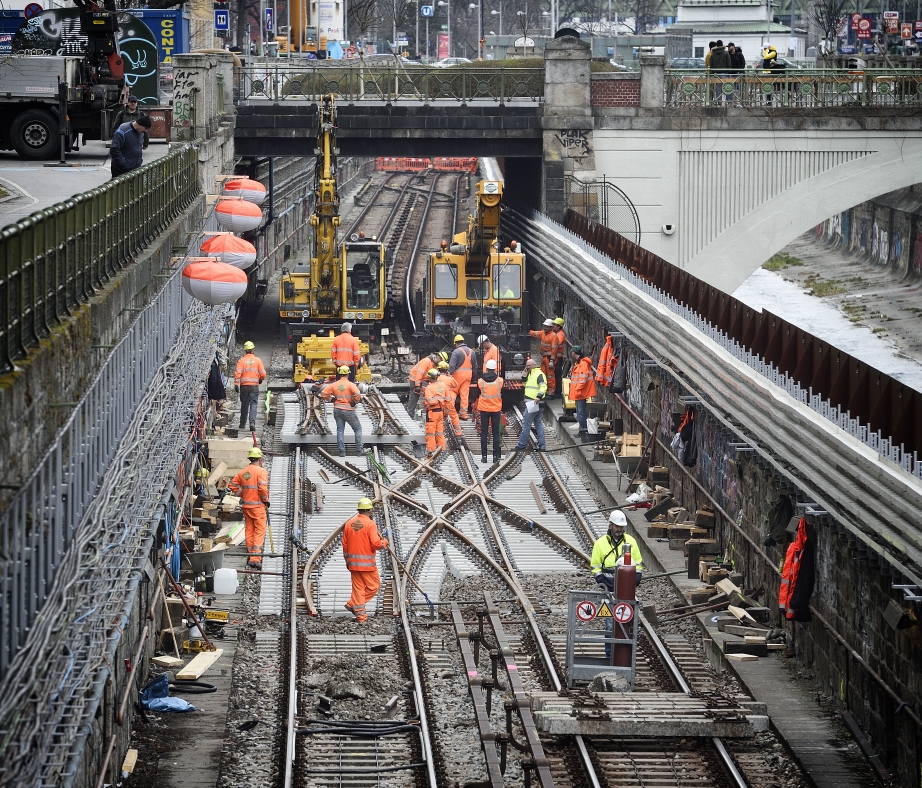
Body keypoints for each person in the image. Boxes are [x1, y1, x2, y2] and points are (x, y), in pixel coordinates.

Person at [591, 510, 644, 658]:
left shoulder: (631, 542)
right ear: (611, 525)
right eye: (617, 526)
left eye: (621, 527)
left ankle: (624, 656)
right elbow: (595, 566)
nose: (619, 529)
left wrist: (636, 579)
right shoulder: (600, 544)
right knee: (610, 624)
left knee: (625, 622)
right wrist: (602, 582)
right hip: (608, 590)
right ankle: (610, 655)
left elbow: (638, 563)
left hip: (626, 590)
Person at [342, 497, 389, 623]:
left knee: (358, 589)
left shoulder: (349, 523)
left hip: (352, 564)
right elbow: (376, 544)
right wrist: (384, 542)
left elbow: (345, 545)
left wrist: (348, 561)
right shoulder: (370, 524)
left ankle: (361, 617)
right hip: (367, 565)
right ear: (369, 510)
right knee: (374, 586)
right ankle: (353, 604)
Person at [228, 447, 270, 567]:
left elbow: (232, 485)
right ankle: (255, 559)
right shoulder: (261, 472)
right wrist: (265, 500)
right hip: (258, 507)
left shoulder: (243, 472)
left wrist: (242, 494)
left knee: (250, 528)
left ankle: (250, 551)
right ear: (259, 459)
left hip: (246, 506)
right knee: (259, 530)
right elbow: (262, 488)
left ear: (250, 459)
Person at [319, 365, 364, 457]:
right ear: (348, 374)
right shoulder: (351, 385)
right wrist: (354, 402)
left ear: (339, 374)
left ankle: (342, 452)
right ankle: (359, 451)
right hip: (348, 410)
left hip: (337, 410)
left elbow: (323, 394)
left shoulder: (334, 385)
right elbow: (357, 394)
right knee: (358, 429)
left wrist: (331, 399)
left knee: (340, 430)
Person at [513, 357, 547, 451]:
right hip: (535, 403)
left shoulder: (539, 374)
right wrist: (524, 375)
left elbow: (543, 387)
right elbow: (525, 384)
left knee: (526, 424)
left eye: (529, 365)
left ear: (534, 365)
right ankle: (542, 445)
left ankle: (521, 445)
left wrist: (538, 397)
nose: (527, 367)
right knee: (538, 423)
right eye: (526, 365)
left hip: (534, 403)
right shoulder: (531, 373)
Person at [234, 341, 266, 431]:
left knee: (244, 404)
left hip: (244, 386)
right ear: (252, 350)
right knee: (253, 404)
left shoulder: (241, 361)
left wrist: (236, 384)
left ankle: (242, 424)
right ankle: (252, 423)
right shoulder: (258, 360)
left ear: (245, 350)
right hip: (254, 386)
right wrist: (260, 379)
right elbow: (263, 374)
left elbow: (237, 373)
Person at [477, 358, 504, 463]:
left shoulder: (481, 381)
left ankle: (484, 457)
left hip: (484, 409)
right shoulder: (500, 381)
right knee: (495, 433)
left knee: (484, 433)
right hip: (496, 409)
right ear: (495, 369)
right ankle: (495, 457)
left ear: (487, 369)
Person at [568, 345, 596, 442]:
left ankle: (583, 430)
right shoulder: (580, 363)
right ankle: (582, 430)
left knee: (581, 413)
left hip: (580, 392)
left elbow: (582, 379)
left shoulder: (583, 364)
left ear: (574, 353)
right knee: (580, 412)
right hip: (579, 392)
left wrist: (577, 389)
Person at [529, 319, 559, 398]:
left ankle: (551, 392)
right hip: (544, 358)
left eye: (547, 326)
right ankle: (545, 390)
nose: (545, 328)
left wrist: (552, 361)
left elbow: (554, 349)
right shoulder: (543, 333)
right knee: (543, 373)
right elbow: (534, 333)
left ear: (551, 327)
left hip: (549, 359)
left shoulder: (553, 336)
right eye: (544, 326)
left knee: (550, 375)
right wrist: (526, 330)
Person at [407, 352, 442, 418]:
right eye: (440, 360)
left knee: (427, 393)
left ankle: (428, 411)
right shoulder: (426, 361)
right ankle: (410, 414)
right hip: (415, 379)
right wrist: (417, 385)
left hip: (423, 379)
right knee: (414, 396)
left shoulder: (435, 363)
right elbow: (419, 373)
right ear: (437, 357)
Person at [423, 368, 449, 455]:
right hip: (440, 412)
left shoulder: (429, 388)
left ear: (429, 378)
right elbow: (448, 400)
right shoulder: (443, 386)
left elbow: (431, 401)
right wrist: (446, 412)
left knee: (431, 432)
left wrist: (434, 400)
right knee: (440, 431)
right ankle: (442, 449)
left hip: (432, 413)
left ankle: (431, 450)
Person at [448, 334, 474, 420]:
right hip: (468, 375)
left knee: (453, 392)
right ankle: (464, 414)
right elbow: (475, 366)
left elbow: (452, 366)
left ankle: (450, 413)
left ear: (456, 343)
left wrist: (449, 374)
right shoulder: (471, 351)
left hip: (458, 375)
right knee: (465, 394)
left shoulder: (456, 352)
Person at [437, 360, 463, 438]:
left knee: (440, 418)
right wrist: (450, 376)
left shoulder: (435, 378)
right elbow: (455, 385)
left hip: (438, 403)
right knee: (454, 416)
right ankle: (458, 433)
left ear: (438, 369)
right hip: (447, 403)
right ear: (446, 370)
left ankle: (441, 432)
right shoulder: (449, 379)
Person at [553, 317, 566, 397]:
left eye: (554, 325)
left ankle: (558, 392)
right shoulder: (558, 333)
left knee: (557, 374)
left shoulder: (560, 335)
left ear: (559, 326)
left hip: (558, 359)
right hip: (556, 358)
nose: (553, 326)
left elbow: (557, 343)